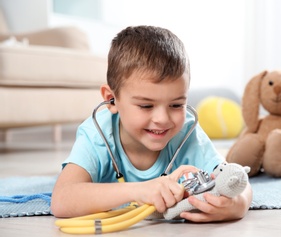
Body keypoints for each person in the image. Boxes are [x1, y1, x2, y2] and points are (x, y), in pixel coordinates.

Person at [51, 25, 252, 222]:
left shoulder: (187, 133)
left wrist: (238, 205)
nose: (163, 119)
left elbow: (233, 177)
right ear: (112, 99)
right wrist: (139, 190)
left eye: (176, 104)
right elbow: (61, 200)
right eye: (146, 106)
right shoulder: (96, 135)